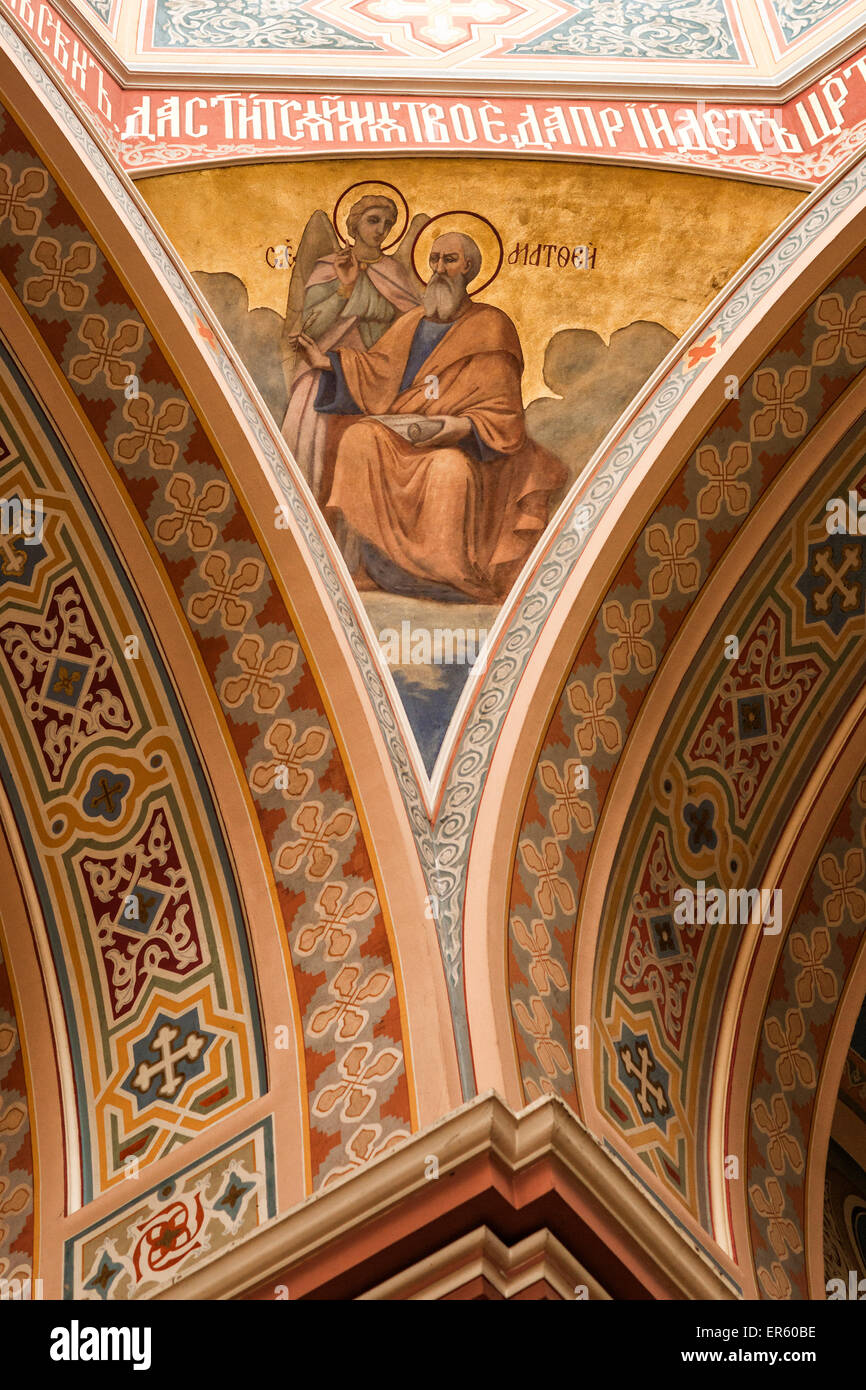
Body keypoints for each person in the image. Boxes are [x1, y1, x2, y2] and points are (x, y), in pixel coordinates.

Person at [291, 231, 567, 603]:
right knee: (360, 437)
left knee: (448, 471)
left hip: (463, 444)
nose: (439, 269)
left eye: (449, 260)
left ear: (468, 267)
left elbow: (502, 409)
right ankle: (376, 562)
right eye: (434, 259)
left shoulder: (491, 325)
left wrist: (462, 426)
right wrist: (327, 364)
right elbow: (379, 372)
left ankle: (447, 576)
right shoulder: (412, 320)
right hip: (405, 432)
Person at [281, 194, 420, 503]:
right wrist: (344, 288)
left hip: (375, 377)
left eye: (387, 224)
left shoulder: (394, 273)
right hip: (324, 373)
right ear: (355, 224)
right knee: (316, 454)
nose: (381, 230)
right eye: (373, 221)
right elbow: (310, 328)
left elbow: (410, 328)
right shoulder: (330, 267)